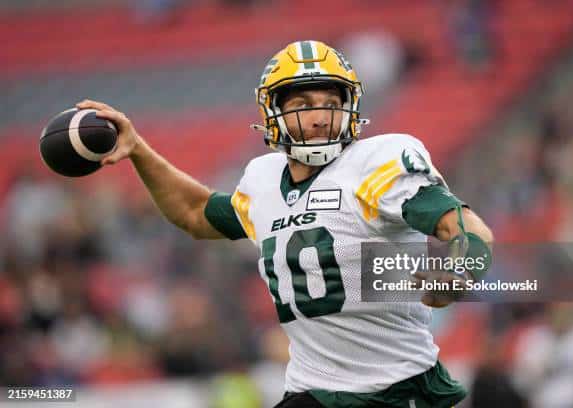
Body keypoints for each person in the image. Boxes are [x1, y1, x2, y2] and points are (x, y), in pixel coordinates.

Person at [77, 40, 493, 408]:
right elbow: (193, 213)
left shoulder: (376, 162)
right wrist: (138, 151)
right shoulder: (262, 180)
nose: (318, 118)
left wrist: (458, 269)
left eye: (330, 104)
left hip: (394, 389)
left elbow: (467, 227)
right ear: (273, 113)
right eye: (302, 105)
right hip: (311, 390)